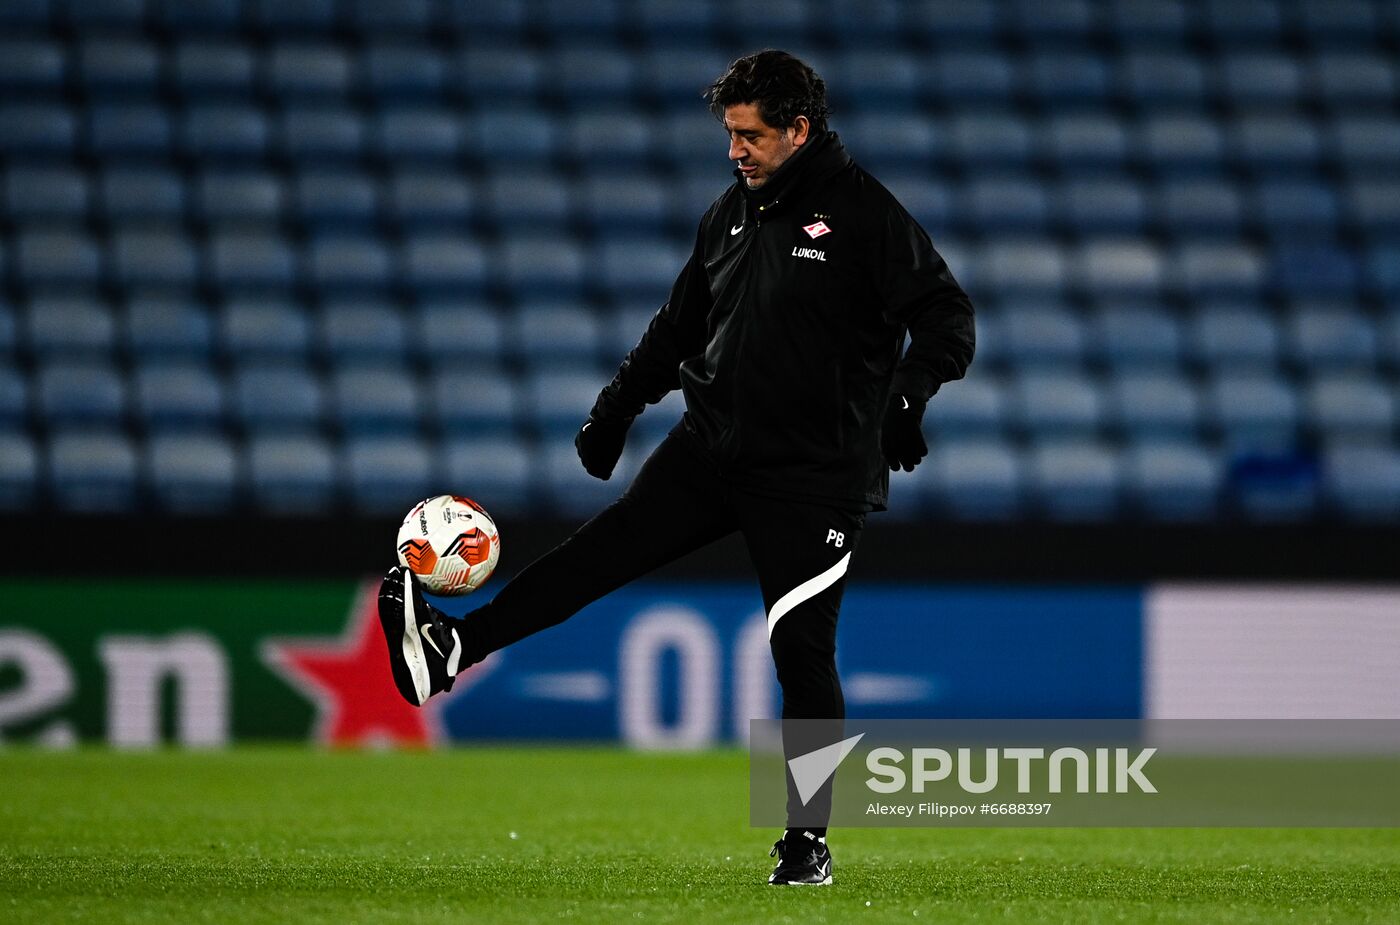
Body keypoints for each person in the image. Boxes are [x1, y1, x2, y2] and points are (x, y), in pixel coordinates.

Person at [377, 49, 975, 886]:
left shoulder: (865, 215)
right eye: (730, 134)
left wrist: (910, 394)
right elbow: (677, 328)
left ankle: (807, 843)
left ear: (799, 131)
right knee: (595, 556)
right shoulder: (729, 214)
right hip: (711, 448)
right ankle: (450, 651)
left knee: (801, 649)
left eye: (752, 135)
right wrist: (615, 408)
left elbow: (949, 315)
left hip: (814, 476)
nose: (736, 150)